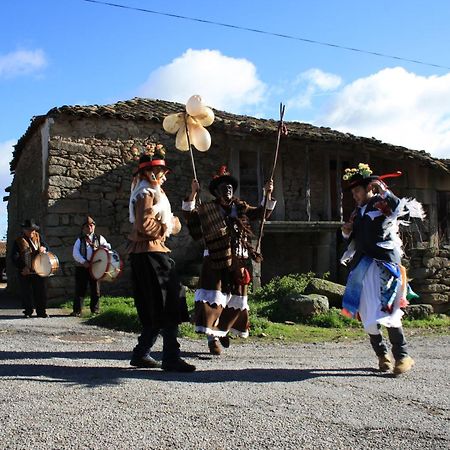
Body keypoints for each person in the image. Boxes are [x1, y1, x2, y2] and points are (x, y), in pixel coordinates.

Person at [340, 163, 425, 375]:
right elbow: (353, 240)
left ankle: (402, 356)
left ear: (370, 188)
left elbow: (400, 210)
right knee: (367, 311)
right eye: (353, 192)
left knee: (389, 308)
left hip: (385, 266)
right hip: (363, 268)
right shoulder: (356, 214)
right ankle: (382, 356)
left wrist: (384, 191)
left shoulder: (381, 204)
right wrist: (346, 232)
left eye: (358, 191)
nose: (355, 195)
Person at [183, 165, 275, 355]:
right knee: (213, 298)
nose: (228, 191)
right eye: (224, 188)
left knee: (236, 299)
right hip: (215, 258)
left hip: (238, 260)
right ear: (216, 191)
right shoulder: (207, 209)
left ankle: (222, 329)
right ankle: (212, 338)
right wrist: (193, 193)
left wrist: (267, 194)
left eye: (230, 188)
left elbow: (261, 213)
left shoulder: (240, 207)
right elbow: (190, 218)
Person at [128, 143, 195, 372]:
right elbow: (144, 224)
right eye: (162, 172)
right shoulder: (146, 191)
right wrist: (169, 226)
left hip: (148, 254)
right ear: (150, 172)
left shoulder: (149, 190)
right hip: (152, 254)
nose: (164, 177)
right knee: (170, 301)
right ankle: (170, 357)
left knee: (155, 306)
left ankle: (141, 353)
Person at [72, 216, 111, 316]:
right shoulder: (79, 240)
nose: (89, 227)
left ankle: (95, 310)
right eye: (87, 226)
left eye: (91, 225)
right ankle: (77, 311)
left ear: (94, 227)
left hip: (96, 267)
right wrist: (83, 262)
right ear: (83, 228)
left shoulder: (99, 238)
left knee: (96, 290)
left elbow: (108, 246)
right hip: (82, 268)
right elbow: (75, 253)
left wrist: (104, 247)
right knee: (80, 289)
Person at [11, 219, 49, 318]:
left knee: (40, 291)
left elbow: (47, 247)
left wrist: (44, 248)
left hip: (38, 268)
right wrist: (23, 267)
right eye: (29, 230)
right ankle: (28, 311)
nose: (31, 232)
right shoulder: (18, 241)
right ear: (24, 230)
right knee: (26, 292)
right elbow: (14, 257)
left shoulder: (39, 237)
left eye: (33, 230)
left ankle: (41, 312)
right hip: (25, 270)